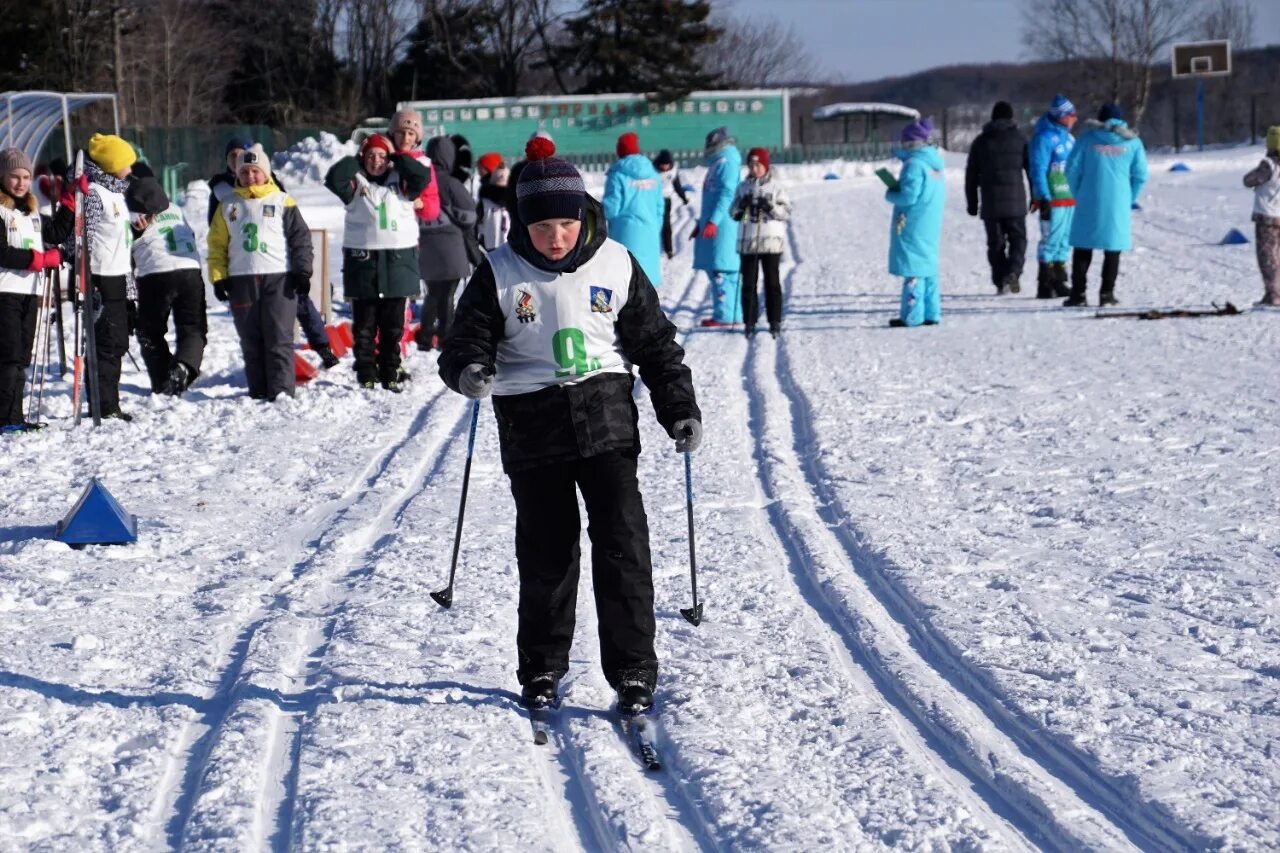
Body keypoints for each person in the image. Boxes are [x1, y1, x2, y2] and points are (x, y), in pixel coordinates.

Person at [437, 153, 701, 716]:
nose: (555, 237)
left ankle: (633, 669)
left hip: (605, 417)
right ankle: (541, 668)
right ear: (520, 222)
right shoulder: (498, 271)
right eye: (540, 226)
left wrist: (678, 407)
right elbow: (465, 340)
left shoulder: (616, 263)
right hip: (532, 426)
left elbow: (655, 345)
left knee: (623, 544)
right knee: (547, 552)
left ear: (583, 214)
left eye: (566, 223)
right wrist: (469, 367)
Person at [209, 137, 337, 368]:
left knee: (301, 304)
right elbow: (216, 228)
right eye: (232, 156)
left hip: (278, 262)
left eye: (241, 153)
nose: (238, 160)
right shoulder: (221, 190)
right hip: (245, 263)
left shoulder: (268, 181)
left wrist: (299, 265)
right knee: (256, 320)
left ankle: (322, 346)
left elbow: (285, 217)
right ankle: (265, 363)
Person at [324, 134, 430, 392]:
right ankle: (366, 372)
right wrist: (356, 157)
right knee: (365, 326)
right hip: (364, 264)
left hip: (397, 264)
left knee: (393, 327)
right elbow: (333, 178)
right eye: (371, 156)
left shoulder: (401, 181)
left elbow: (422, 177)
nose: (376, 161)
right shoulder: (355, 183)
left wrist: (397, 157)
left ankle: (390, 370)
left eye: (381, 156)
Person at [0, 148, 76, 432]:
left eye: (25, 177)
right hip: (4, 292)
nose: (20, 183)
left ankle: (14, 415)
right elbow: (2, 252)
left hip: (29, 293)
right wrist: (38, 259)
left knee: (21, 358)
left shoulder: (31, 210)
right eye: (14, 176)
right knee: (8, 356)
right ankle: (6, 418)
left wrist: (69, 202)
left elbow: (55, 233)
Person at [126, 164, 207, 395]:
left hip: (155, 274)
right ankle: (183, 366)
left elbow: (123, 250)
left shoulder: (131, 210)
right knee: (193, 328)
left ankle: (163, 380)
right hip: (190, 270)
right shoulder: (175, 208)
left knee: (149, 331)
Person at [1063, 103, 1148, 307]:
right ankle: (1106, 294)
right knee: (1113, 248)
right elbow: (1140, 175)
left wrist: (1078, 193)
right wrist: (1128, 198)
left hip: (1088, 198)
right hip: (1117, 201)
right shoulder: (1133, 142)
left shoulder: (1087, 139)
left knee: (1083, 246)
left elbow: (1071, 170)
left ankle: (1078, 294)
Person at [83, 133, 139, 420]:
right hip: (101, 278)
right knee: (105, 344)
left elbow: (123, 243)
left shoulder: (118, 193)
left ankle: (111, 402)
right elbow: (85, 238)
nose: (130, 169)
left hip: (119, 277)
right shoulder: (95, 193)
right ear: (111, 164)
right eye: (125, 163)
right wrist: (88, 281)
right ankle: (103, 405)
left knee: (118, 344)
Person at [415, 135, 477, 351]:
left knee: (432, 294)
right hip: (452, 248)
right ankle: (444, 337)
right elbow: (469, 214)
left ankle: (424, 337)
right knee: (448, 294)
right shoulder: (451, 183)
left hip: (426, 246)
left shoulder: (420, 179)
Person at [884, 119, 946, 328]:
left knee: (914, 267)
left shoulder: (914, 165)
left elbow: (909, 197)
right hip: (930, 221)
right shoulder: (933, 164)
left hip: (914, 222)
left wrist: (891, 192)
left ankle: (912, 315)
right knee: (928, 267)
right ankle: (931, 312)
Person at [965, 101, 1030, 295]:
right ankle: (1013, 271)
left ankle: (1000, 281)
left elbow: (971, 176)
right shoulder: (1020, 139)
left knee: (995, 243)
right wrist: (1037, 196)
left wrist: (972, 203)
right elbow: (1032, 171)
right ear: (1011, 118)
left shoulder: (981, 141)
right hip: (1015, 203)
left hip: (991, 203)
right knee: (1018, 239)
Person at [730, 147, 791, 337]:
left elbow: (786, 212)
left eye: (758, 165)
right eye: (751, 165)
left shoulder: (776, 187)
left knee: (772, 282)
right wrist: (741, 206)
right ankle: (749, 321)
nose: (755, 169)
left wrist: (769, 206)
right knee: (749, 283)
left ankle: (775, 320)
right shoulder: (743, 187)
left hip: (771, 241)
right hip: (749, 242)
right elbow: (733, 212)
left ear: (765, 166)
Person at [1028, 95, 1078, 299]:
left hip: (1069, 196)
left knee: (1065, 239)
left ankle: (1059, 280)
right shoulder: (1044, 138)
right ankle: (1045, 283)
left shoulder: (1070, 138)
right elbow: (1037, 169)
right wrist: (1043, 196)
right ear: (1062, 116)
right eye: (1071, 115)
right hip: (1053, 197)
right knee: (1050, 239)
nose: (1075, 118)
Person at [693, 126, 743, 327]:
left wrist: (713, 221)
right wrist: (702, 223)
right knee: (724, 270)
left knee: (721, 271)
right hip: (717, 224)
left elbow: (727, 194)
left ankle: (725, 315)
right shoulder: (719, 162)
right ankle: (732, 313)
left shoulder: (727, 162)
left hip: (723, 227)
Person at [603, 132, 664, 287]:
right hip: (649, 233)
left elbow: (612, 208)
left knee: (626, 281)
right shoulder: (654, 175)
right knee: (647, 281)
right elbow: (659, 208)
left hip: (625, 235)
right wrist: (654, 227)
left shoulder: (618, 174)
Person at [1243, 126, 1280, 307]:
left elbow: (1249, 180)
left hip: (1266, 217)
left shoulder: (1268, 164)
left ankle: (1273, 295)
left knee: (1268, 258)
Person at [653, 149, 689, 260]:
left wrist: (683, 197)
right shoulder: (652, 170)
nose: (665, 168)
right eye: (663, 165)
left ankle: (668, 249)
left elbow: (677, 185)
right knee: (652, 224)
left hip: (666, 199)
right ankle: (652, 247)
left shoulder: (673, 171)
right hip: (653, 200)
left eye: (667, 165)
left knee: (666, 224)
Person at [476, 153, 511, 251]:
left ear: (489, 169)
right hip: (510, 245)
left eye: (481, 169)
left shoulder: (485, 197)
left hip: (490, 245)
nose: (478, 172)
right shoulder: (515, 196)